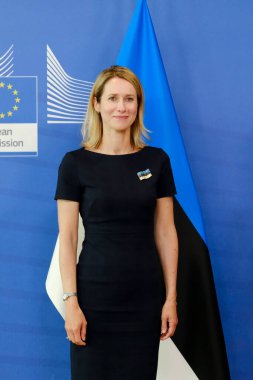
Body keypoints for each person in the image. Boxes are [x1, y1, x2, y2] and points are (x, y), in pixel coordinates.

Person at [54, 65, 178, 380]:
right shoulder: (75, 164)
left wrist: (171, 298)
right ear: (96, 104)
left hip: (144, 299)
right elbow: (67, 238)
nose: (121, 107)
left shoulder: (156, 161)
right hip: (93, 300)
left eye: (129, 99)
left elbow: (166, 233)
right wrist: (71, 303)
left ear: (138, 106)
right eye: (112, 98)